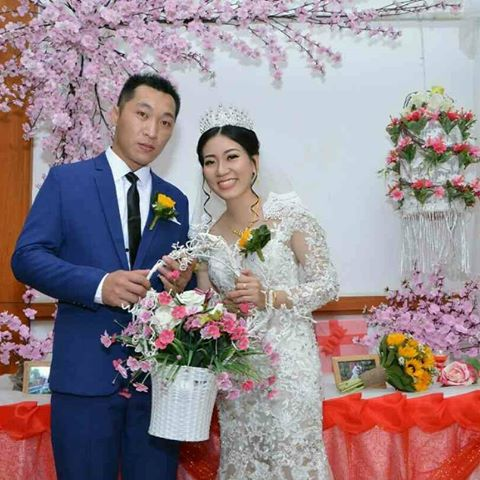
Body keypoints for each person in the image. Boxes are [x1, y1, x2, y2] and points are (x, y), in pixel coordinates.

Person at [11, 73, 193, 480]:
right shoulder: (67, 181)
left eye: (165, 122)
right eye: (142, 114)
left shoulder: (176, 200)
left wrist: (184, 285)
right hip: (85, 381)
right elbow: (26, 258)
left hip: (155, 386)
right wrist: (99, 286)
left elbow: (180, 287)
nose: (152, 131)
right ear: (115, 113)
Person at [190, 105, 339, 479]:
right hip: (238, 372)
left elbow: (327, 284)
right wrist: (218, 306)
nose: (221, 170)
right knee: (244, 460)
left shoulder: (289, 216)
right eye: (210, 161)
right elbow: (208, 306)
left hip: (289, 367)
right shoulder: (204, 237)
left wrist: (268, 296)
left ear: (254, 162)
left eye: (232, 157)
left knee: (292, 460)